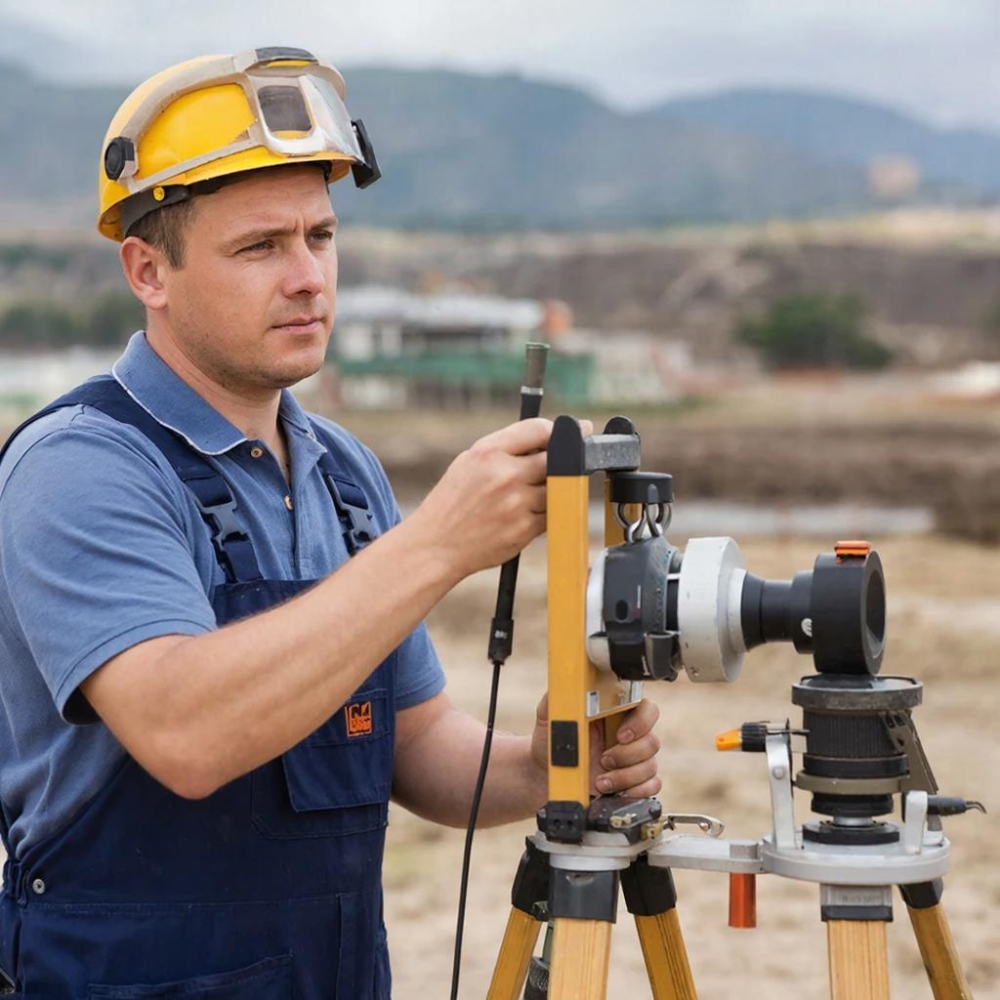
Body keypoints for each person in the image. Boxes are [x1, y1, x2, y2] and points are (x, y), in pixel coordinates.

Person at [0, 48, 661, 998]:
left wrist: (552, 762)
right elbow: (185, 734)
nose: (308, 277)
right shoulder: (82, 465)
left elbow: (416, 747)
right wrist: (437, 545)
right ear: (148, 270)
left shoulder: (342, 474)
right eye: (260, 247)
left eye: (320, 235)